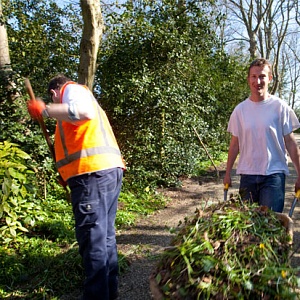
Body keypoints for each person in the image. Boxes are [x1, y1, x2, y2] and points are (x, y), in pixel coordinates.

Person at [27, 74, 125, 300]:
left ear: (54, 92)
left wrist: (45, 110)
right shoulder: (76, 99)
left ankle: (96, 296)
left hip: (92, 175)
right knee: (105, 237)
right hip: (105, 172)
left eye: (53, 99)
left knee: (92, 240)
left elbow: (84, 113)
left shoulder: (72, 90)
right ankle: (109, 292)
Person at [223, 58, 300, 213]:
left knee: (271, 226)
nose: (258, 81)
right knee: (247, 228)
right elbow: (234, 145)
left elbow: (290, 143)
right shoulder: (240, 110)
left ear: (270, 78)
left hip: (273, 176)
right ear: (248, 79)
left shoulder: (280, 107)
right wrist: (227, 173)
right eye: (254, 76)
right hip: (248, 176)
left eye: (262, 76)